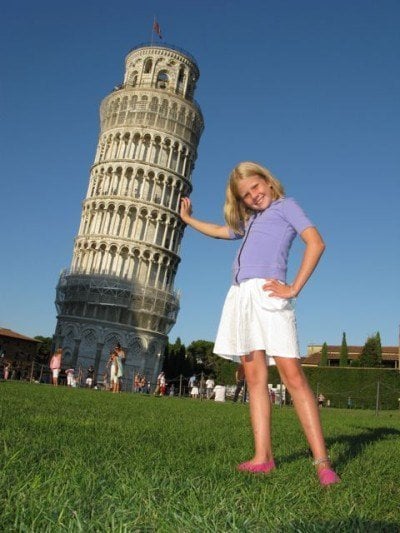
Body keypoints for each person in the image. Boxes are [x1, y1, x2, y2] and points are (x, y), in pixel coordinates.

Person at [180, 161, 340, 486]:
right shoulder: (250, 221)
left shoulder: (286, 206)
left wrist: (293, 288)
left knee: (292, 376)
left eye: (256, 186)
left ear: (267, 180)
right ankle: (262, 457)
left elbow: (316, 242)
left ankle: (322, 462)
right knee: (254, 379)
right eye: (246, 194)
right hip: (241, 296)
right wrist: (187, 219)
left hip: (270, 293)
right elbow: (222, 231)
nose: (254, 195)